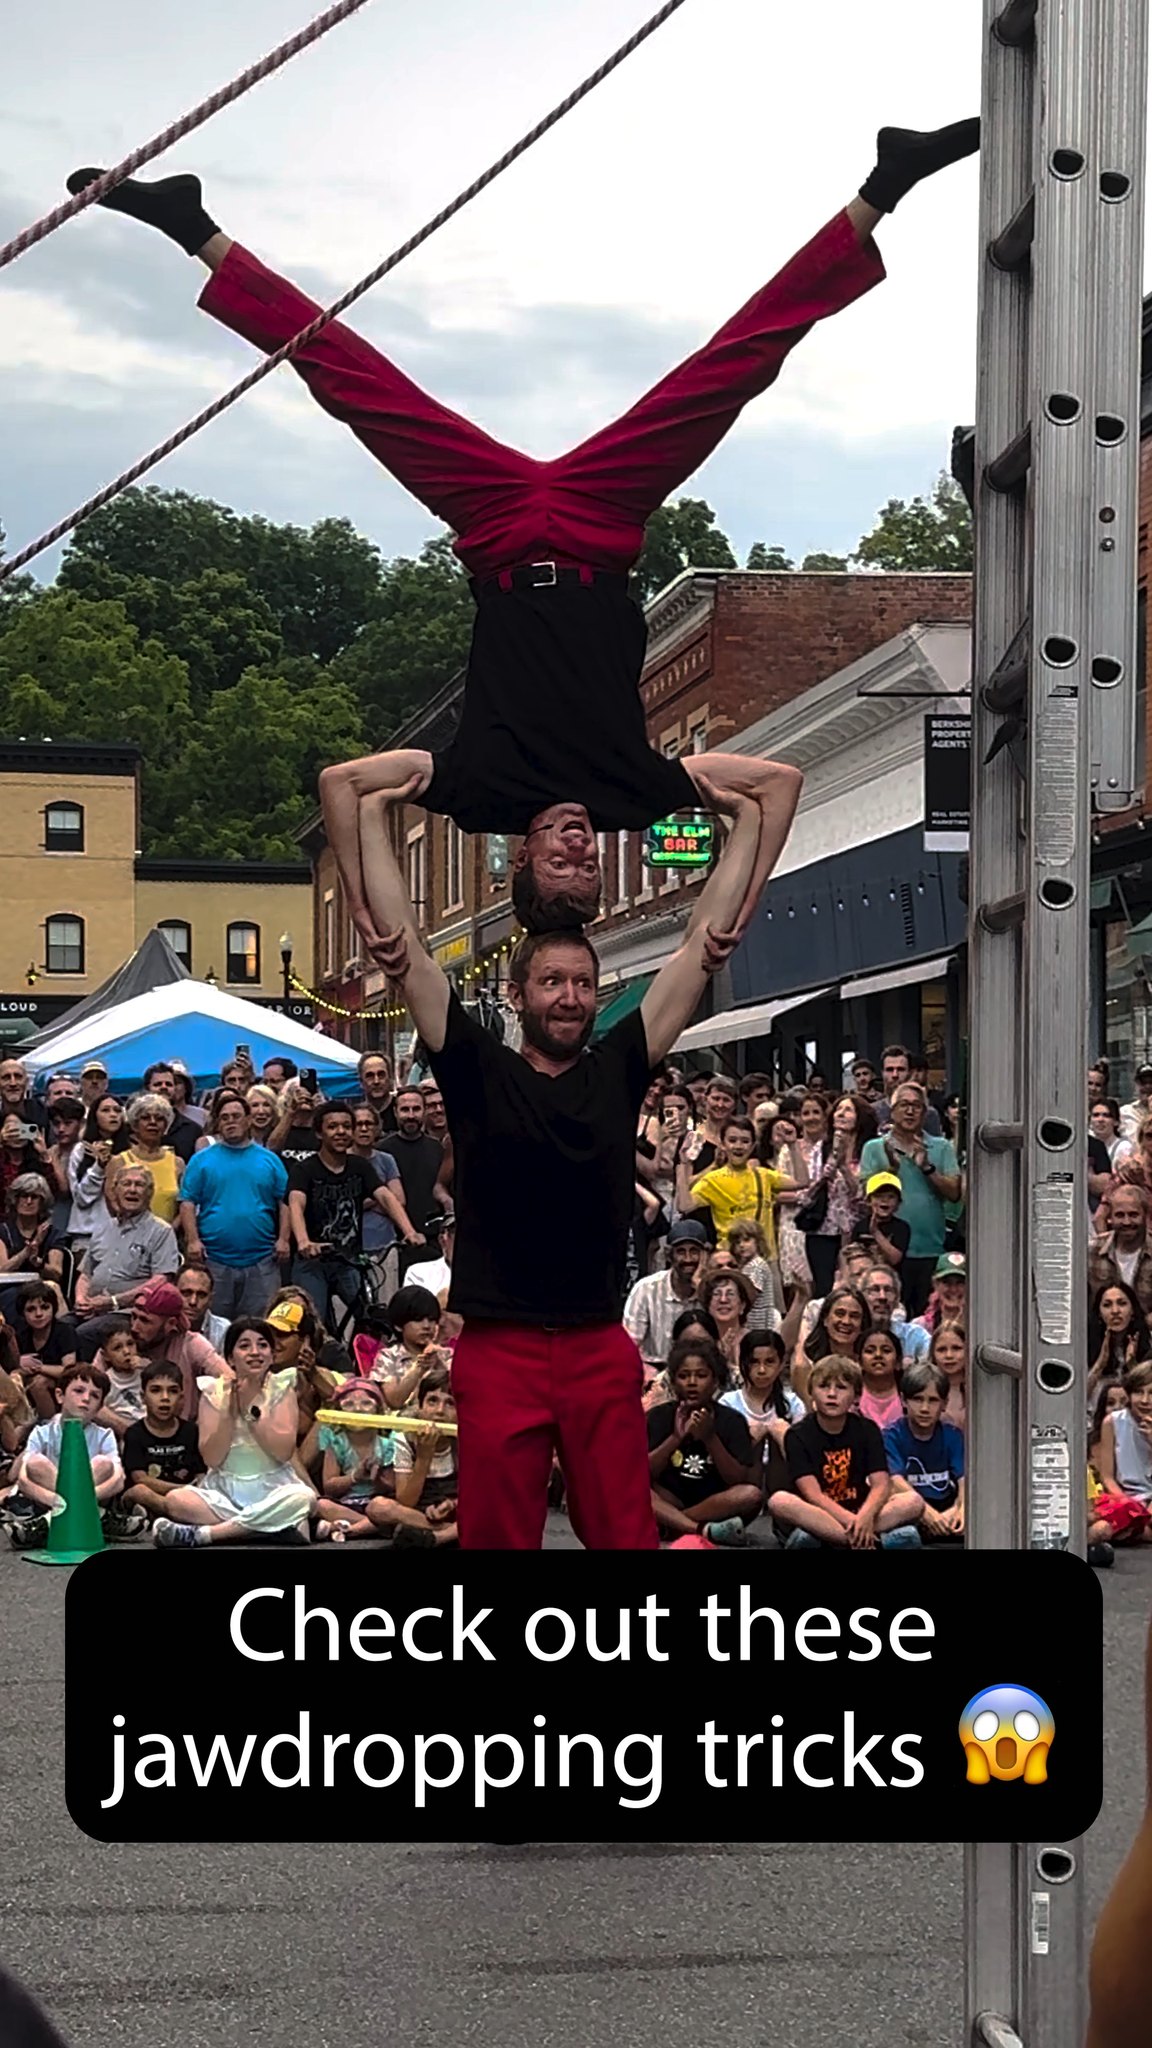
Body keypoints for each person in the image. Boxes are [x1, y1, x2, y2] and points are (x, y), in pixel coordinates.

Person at [70, 118, 976, 930]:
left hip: (497, 530)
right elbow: (776, 786)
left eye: (563, 869)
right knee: (732, 368)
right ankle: (883, 189)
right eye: (589, 870)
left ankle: (195, 230)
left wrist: (385, 930)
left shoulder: (480, 793)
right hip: (598, 527)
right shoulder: (634, 795)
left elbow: (343, 787)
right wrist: (726, 916)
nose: (582, 853)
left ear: (527, 869)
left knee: (356, 382)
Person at [352, 747, 800, 1546]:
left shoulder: (621, 1064)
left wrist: (690, 790)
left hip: (598, 1345)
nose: (570, 997)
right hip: (499, 1347)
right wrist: (405, 790)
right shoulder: (473, 1065)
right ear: (518, 994)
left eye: (583, 984)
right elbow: (402, 945)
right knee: (497, 1540)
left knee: (625, 1536)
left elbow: (706, 938)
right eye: (552, 983)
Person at [151, 1316, 316, 1547]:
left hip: (274, 1488)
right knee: (177, 1500)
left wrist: (249, 1409)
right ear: (230, 1357)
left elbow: (283, 1452)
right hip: (224, 1490)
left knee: (303, 1498)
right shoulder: (213, 1392)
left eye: (262, 1345)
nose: (255, 1352)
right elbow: (212, 1458)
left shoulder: (282, 1388)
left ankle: (207, 1535)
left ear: (271, 1354)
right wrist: (228, 1411)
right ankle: (274, 1528)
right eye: (244, 1345)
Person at [771, 1355, 924, 1549]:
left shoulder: (867, 1429)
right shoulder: (797, 1435)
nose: (832, 1394)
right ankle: (867, 1542)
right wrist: (855, 1523)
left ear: (857, 1395)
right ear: (811, 1392)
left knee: (913, 1501)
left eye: (841, 1387)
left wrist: (865, 1517)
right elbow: (813, 1495)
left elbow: (881, 1484)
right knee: (779, 1501)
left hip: (859, 1509)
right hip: (819, 1513)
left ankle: (839, 1541)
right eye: (824, 1386)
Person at [288, 1100, 412, 1330]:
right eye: (333, 1127)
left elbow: (385, 1196)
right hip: (313, 1262)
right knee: (314, 1324)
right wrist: (304, 1241)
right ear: (319, 1133)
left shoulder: (359, 1166)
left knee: (370, 1318)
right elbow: (296, 1203)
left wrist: (410, 1232)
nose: (341, 1132)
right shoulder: (305, 1169)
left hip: (349, 1260)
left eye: (346, 1126)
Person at [0, 1363, 139, 1550]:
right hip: (49, 1499)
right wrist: (62, 1501)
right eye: (79, 1391)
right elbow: (24, 1480)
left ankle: (45, 1525)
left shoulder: (104, 1434)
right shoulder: (41, 1433)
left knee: (103, 1464)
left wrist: (82, 1498)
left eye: (94, 1396)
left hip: (92, 1495)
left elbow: (118, 1479)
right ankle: (98, 1517)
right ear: (60, 1396)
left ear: (99, 1408)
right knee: (35, 1463)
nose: (86, 1399)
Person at [178, 1091, 290, 1319]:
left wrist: (284, 1239)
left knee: (261, 1325)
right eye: (225, 1117)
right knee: (212, 1325)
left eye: (236, 1116)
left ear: (248, 1120)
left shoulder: (269, 1159)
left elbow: (285, 1201)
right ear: (217, 1123)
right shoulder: (202, 1160)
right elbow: (187, 1202)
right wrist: (192, 1240)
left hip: (263, 1259)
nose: (231, 1121)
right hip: (214, 1259)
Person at [646, 1337, 762, 1546]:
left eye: (701, 1376)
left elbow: (737, 1480)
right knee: (636, 1490)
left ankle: (672, 1524)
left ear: (715, 1381)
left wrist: (710, 1438)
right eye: (683, 1376)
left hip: (714, 1504)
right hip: (669, 1497)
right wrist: (676, 1437)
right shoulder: (658, 1416)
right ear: (673, 1381)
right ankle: (700, 1530)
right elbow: (643, 1473)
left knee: (751, 1495)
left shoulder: (732, 1420)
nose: (692, 1383)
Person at [858, 1083, 962, 1316]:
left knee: (927, 1315)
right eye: (904, 1105)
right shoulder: (875, 1148)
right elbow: (866, 1193)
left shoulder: (941, 1147)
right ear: (892, 1111)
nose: (910, 1111)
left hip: (930, 1249)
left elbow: (955, 1192)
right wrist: (891, 1168)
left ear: (925, 1113)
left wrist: (927, 1167)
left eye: (917, 1106)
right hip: (888, 1251)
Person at [366, 1362, 460, 1547]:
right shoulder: (405, 1438)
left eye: (450, 1403)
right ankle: (452, 1532)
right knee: (378, 1507)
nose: (439, 1411)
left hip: (457, 1510)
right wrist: (424, 1457)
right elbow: (406, 1501)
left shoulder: (466, 1438)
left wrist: (452, 1504)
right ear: (420, 1406)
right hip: (417, 1513)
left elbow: (479, 1493)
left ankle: (437, 1538)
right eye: (432, 1401)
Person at [73, 1168, 179, 1322]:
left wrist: (113, 1302)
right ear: (115, 1190)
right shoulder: (103, 1228)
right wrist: (81, 1299)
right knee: (61, 1328)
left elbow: (161, 1280)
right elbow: (86, 1275)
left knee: (84, 1335)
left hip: (130, 1313)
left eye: (139, 1185)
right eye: (126, 1184)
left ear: (149, 1193)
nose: (132, 1190)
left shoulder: (161, 1231)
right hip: (92, 1309)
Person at [882, 1356, 965, 1540]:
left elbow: (964, 1481)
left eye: (933, 1400)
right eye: (918, 1399)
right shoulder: (890, 1436)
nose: (925, 1408)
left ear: (944, 1404)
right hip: (911, 1510)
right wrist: (928, 1515)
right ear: (904, 1400)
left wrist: (960, 1511)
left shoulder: (952, 1435)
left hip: (945, 1509)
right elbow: (895, 1482)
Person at [129, 1277, 229, 1423]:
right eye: (133, 1317)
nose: (134, 1327)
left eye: (145, 1321)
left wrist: (204, 1425)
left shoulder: (191, 1344)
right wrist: (131, 1432)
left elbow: (230, 1380)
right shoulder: (121, 1343)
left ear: (171, 1324)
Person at [121, 1360, 207, 1522]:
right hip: (155, 1495)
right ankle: (177, 1514)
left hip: (187, 1497)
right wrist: (183, 1489)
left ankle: (171, 1515)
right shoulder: (134, 1433)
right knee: (139, 1491)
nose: (165, 1398)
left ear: (181, 1397)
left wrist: (197, 1491)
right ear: (143, 1397)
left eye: (173, 1391)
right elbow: (140, 1479)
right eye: (156, 1390)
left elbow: (200, 1473)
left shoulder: (191, 1431)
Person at [312, 1376, 397, 1542]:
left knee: (389, 1509)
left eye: (366, 1403)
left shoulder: (387, 1444)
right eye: (349, 1404)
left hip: (376, 1504)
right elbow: (329, 1486)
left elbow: (392, 1487)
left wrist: (378, 1477)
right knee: (321, 1505)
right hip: (346, 1505)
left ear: (378, 1410)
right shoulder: (336, 1441)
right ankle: (370, 1527)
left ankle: (349, 1529)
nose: (358, 1409)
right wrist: (354, 1477)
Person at [721, 1328, 804, 1495]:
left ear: (781, 1364)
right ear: (743, 1363)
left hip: (784, 1480)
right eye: (754, 1362)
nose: (761, 1370)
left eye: (769, 1362)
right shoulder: (727, 1403)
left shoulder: (793, 1403)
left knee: (780, 1429)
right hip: (741, 1481)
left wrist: (781, 1435)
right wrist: (750, 1437)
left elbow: (803, 1457)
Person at [622, 1218, 708, 1370]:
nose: (688, 1259)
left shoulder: (712, 1291)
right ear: (669, 1255)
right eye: (681, 1252)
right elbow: (629, 1344)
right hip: (653, 1368)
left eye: (694, 1251)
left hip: (701, 1371)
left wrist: (701, 1290)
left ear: (705, 1255)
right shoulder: (646, 1289)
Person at [108, 1093, 183, 1224]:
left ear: (166, 1126)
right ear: (135, 1125)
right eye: (146, 1118)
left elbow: (185, 1204)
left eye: (159, 1118)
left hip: (168, 1236)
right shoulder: (119, 1161)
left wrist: (168, 1231)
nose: (152, 1122)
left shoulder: (178, 1163)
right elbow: (112, 1201)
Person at [67, 1093, 130, 1248]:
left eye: (117, 1110)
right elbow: (81, 1198)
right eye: (106, 1110)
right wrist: (99, 1167)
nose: (113, 1115)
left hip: (123, 1233)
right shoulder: (81, 1150)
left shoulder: (130, 1152)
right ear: (95, 1116)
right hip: (87, 1236)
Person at [1094, 1362, 1152, 1528]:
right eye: (1138, 1392)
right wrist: (1128, 1503)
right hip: (1126, 1497)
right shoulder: (1113, 1422)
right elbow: (1108, 1477)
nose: (1145, 1400)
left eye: (1151, 1393)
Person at [792, 1284, 867, 1406]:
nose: (846, 1321)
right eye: (840, 1313)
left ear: (862, 1325)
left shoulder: (868, 1367)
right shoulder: (806, 1366)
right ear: (825, 1319)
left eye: (854, 1316)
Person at [11, 1280, 76, 1420]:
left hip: (66, 1386)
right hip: (28, 1386)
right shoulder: (20, 1334)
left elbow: (69, 1371)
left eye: (45, 1307)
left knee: (39, 1383)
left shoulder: (65, 1331)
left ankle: (48, 1427)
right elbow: (12, 1369)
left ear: (54, 1308)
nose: (39, 1314)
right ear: (22, 1313)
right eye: (31, 1309)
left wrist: (38, 1367)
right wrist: (18, 1364)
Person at [1088, 1184, 1152, 1318]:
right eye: (1120, 1215)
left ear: (1145, 1216)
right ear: (1110, 1217)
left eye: (1133, 1215)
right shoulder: (1092, 1251)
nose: (1127, 1222)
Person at [0, 1174, 66, 1289]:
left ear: (42, 1202)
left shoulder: (53, 1233)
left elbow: (57, 1273)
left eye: (34, 1197)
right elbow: (2, 1270)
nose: (29, 1201)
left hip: (42, 1291)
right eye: (24, 1196)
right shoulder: (3, 1231)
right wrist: (27, 1252)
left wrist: (38, 1263)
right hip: (8, 1290)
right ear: (15, 1199)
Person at [94, 1322, 146, 1438]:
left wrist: (147, 1366)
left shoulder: (145, 1371)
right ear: (105, 1355)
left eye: (130, 1344)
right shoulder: (106, 1380)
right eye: (117, 1348)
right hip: (124, 1432)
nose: (127, 1351)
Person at [857, 1170, 911, 1279]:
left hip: (892, 1280)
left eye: (891, 1197)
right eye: (878, 1196)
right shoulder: (860, 1226)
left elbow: (895, 1259)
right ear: (868, 1201)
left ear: (898, 1203)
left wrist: (876, 1233)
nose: (884, 1200)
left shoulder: (902, 1227)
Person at [857, 1324, 904, 1432]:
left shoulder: (909, 1393)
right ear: (859, 1361)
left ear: (898, 1361)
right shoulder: (852, 1393)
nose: (878, 1355)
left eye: (886, 1351)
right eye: (870, 1351)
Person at [175, 1261, 231, 1351]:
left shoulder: (224, 1331)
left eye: (201, 1295)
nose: (193, 1302)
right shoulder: (160, 1326)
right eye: (186, 1293)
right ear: (173, 1293)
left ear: (211, 1299)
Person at [929, 1319, 967, 1431]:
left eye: (956, 1348)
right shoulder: (926, 1389)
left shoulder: (981, 1390)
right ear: (933, 1353)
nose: (949, 1355)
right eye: (941, 1350)